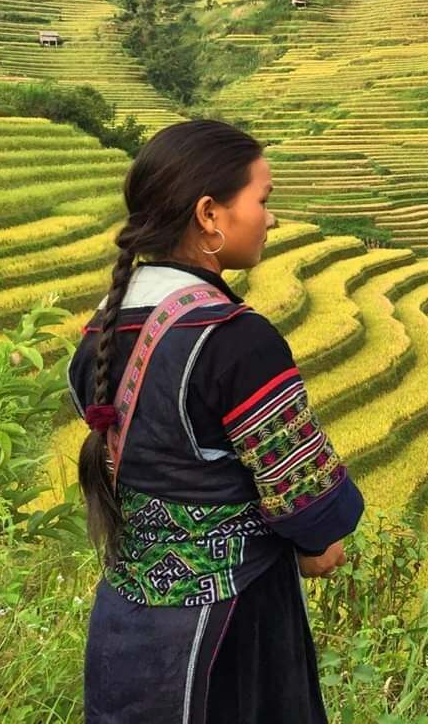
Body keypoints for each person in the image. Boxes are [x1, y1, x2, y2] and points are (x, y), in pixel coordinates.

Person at [68, 119, 364, 723]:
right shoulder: (233, 339)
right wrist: (318, 542)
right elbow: (305, 493)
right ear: (209, 214)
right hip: (234, 630)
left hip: (126, 628)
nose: (272, 218)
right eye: (263, 200)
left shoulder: (98, 333)